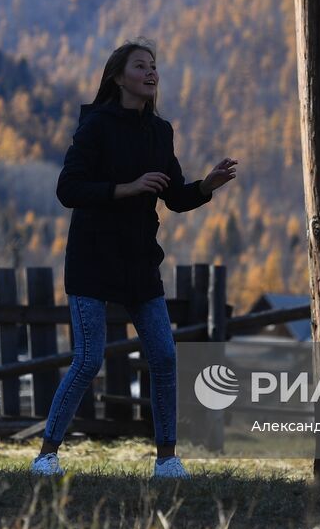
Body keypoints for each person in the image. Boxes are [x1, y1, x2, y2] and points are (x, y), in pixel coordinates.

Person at [32, 40, 237, 479]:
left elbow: (175, 196)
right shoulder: (96, 126)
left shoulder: (160, 132)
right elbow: (68, 190)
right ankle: (46, 454)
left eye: (154, 66)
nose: (151, 73)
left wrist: (207, 186)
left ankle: (167, 460)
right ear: (117, 77)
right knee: (88, 359)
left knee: (164, 357)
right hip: (93, 259)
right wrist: (126, 187)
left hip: (140, 259)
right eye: (140, 66)